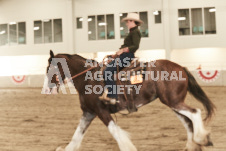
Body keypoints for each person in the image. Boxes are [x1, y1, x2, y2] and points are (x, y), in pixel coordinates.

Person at [99, 12, 143, 104]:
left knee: (107, 71)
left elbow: (135, 46)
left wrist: (123, 50)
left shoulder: (136, 32)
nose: (126, 23)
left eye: (128, 21)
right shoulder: (132, 32)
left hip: (127, 57)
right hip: (124, 56)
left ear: (132, 21)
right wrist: (115, 55)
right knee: (107, 69)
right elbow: (125, 46)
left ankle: (113, 96)